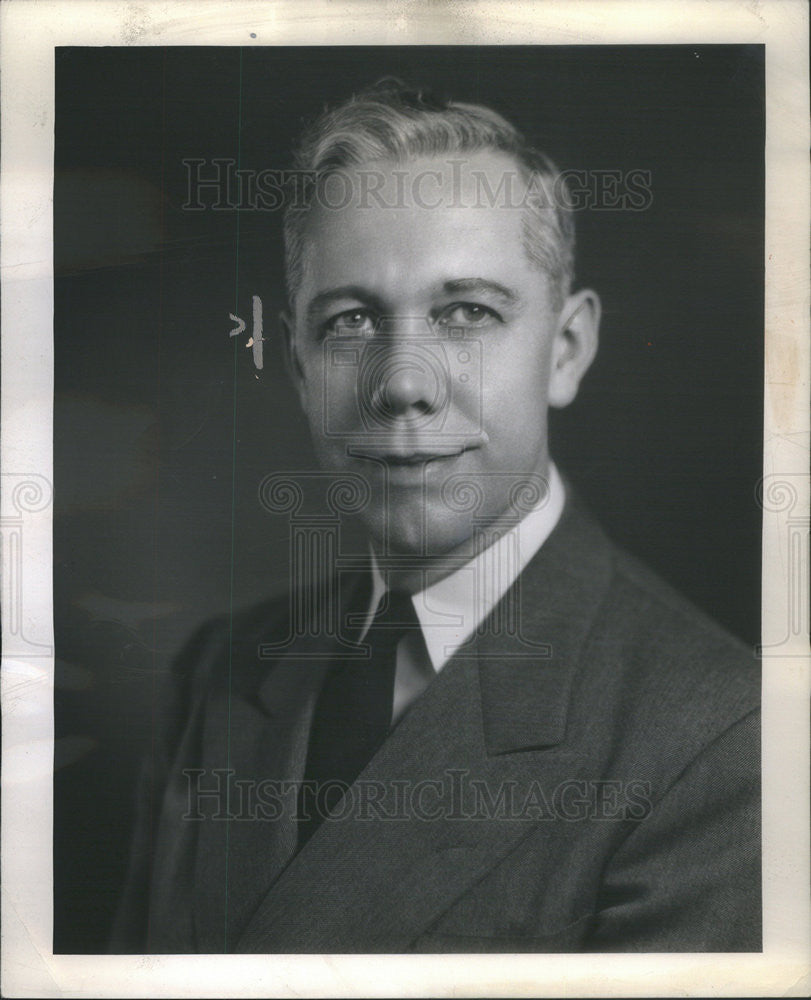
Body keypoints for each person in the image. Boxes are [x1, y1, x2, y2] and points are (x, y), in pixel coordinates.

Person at [111, 80, 760, 954]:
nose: (403, 383)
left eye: (465, 313)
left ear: (564, 351)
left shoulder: (726, 741)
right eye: (348, 322)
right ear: (300, 372)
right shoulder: (219, 674)